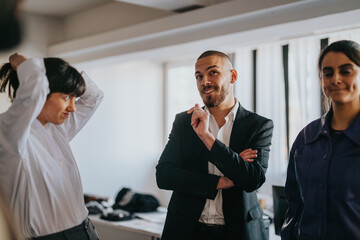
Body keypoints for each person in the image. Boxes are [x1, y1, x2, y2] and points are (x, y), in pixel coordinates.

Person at [156, 50, 274, 240]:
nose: (205, 82)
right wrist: (221, 181)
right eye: (199, 76)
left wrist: (206, 137)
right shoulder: (184, 122)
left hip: (237, 232)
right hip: (187, 230)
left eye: (213, 72)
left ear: (232, 76)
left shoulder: (258, 125)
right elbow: (164, 176)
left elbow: (252, 179)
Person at [0, 53, 104, 239]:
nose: (72, 107)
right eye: (66, 97)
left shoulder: (58, 129)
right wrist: (23, 64)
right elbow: (35, 88)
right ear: (42, 95)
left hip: (86, 231)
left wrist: (68, 77)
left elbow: (94, 97)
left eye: (74, 98)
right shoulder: (10, 134)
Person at [281, 40, 360, 240]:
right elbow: (294, 208)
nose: (336, 79)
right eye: (328, 73)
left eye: (346, 70)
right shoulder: (306, 139)